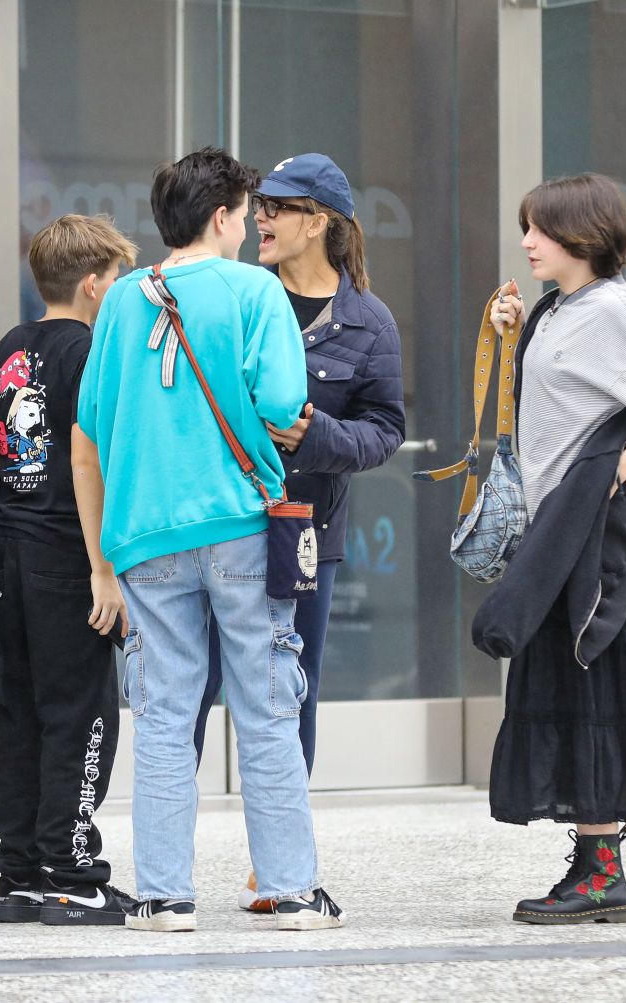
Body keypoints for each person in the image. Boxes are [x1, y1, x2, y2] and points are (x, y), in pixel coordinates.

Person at [77, 147, 344, 932]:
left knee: (162, 711)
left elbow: (89, 430)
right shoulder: (256, 289)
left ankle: (164, 895)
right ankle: (292, 888)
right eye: (245, 212)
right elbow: (282, 401)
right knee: (265, 704)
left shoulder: (125, 299)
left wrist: (100, 556)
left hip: (145, 536)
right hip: (240, 526)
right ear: (223, 215)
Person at [192, 153, 405, 912]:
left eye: (277, 208)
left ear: (318, 221)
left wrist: (314, 434)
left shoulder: (368, 320)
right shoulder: (240, 297)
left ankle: (277, 861)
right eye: (260, 207)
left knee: (290, 692)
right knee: (191, 689)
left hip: (302, 534)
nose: (261, 219)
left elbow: (384, 432)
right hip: (214, 524)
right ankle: (166, 860)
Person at [475, 173, 626, 924]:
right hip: (558, 533)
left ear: (582, 236)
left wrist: (618, 470)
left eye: (541, 229)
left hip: (590, 538)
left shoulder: (614, 312)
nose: (527, 240)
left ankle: (601, 873)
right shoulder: (568, 308)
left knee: (588, 680)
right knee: (583, 679)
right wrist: (519, 326)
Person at [0, 214, 139, 926]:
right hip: (69, 554)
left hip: (5, 550)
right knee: (81, 712)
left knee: (20, 711)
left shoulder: (12, 347)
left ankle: (22, 874)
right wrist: (104, 567)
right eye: (117, 283)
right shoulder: (90, 351)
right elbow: (87, 453)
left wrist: (24, 468)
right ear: (94, 284)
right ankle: (72, 872)